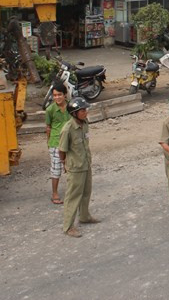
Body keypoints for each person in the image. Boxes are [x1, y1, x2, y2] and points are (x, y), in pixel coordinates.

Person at [58, 96, 100, 238]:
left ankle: (84, 216)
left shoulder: (85, 123)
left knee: (86, 191)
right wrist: (64, 164)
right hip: (75, 167)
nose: (85, 112)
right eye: (82, 110)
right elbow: (62, 150)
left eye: (85, 110)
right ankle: (68, 226)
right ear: (74, 113)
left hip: (86, 164)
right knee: (73, 196)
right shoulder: (68, 129)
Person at [46, 83, 71, 205]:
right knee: (56, 169)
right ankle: (54, 193)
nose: (57, 98)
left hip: (71, 141)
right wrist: (49, 143)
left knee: (71, 167)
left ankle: (73, 191)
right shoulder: (50, 110)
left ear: (65, 95)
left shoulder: (71, 107)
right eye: (55, 95)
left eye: (59, 95)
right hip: (56, 142)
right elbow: (48, 128)